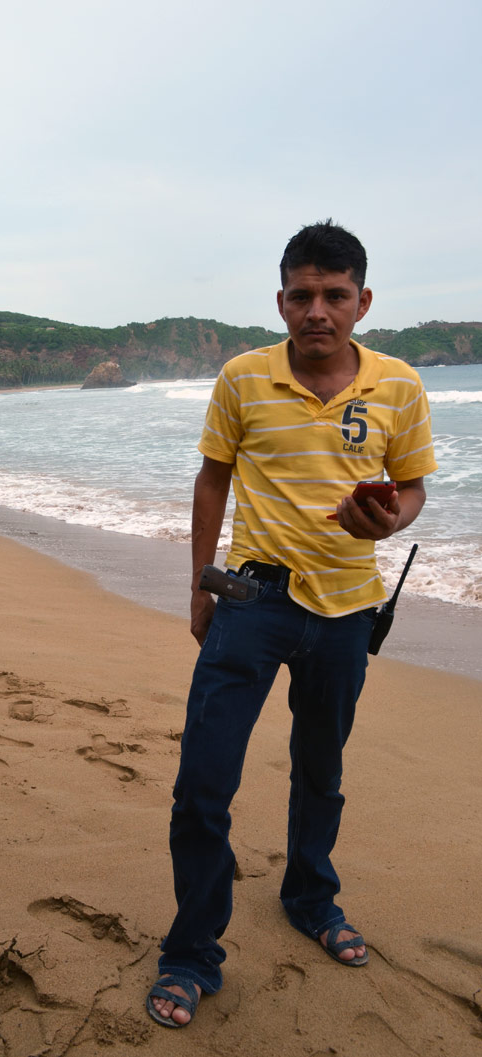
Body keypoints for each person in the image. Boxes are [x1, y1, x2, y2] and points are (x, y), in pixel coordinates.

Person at [146, 220, 438, 1028]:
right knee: (203, 782)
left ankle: (311, 896)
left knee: (321, 771)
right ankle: (192, 950)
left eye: (334, 295)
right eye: (303, 295)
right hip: (251, 602)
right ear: (281, 300)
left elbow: (411, 487)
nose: (318, 310)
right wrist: (201, 585)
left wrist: (389, 518)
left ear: (362, 301)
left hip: (348, 612)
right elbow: (213, 479)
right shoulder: (242, 378)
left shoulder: (400, 386)